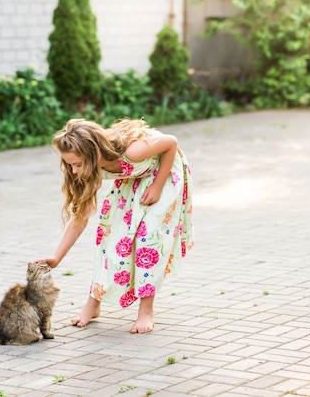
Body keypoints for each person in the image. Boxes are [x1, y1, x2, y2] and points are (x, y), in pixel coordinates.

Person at [37, 118, 194, 334]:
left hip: (164, 174)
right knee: (110, 239)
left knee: (148, 239)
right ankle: (93, 306)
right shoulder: (86, 168)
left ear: (94, 153)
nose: (74, 171)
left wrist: (157, 187)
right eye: (70, 165)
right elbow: (80, 217)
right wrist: (57, 258)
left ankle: (146, 310)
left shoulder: (134, 152)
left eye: (78, 164)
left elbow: (171, 143)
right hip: (134, 178)